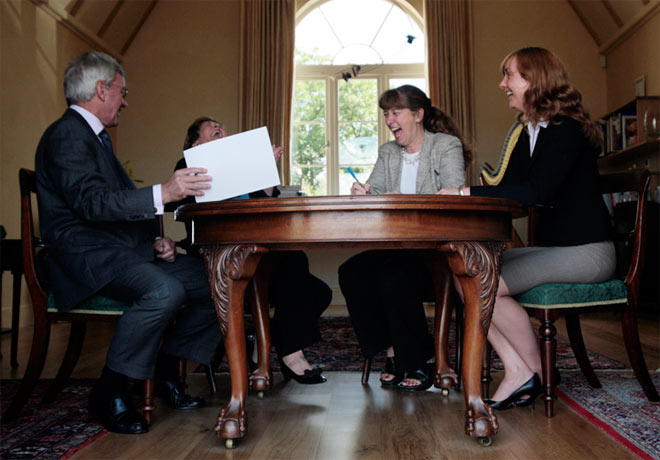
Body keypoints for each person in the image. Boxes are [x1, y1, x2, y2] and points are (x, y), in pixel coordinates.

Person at [34, 51, 222, 434]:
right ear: (101, 89)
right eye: (122, 92)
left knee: (217, 282)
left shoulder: (93, 137)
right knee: (164, 290)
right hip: (84, 258)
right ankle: (110, 389)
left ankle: (166, 370)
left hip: (118, 253)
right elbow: (91, 203)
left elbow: (109, 206)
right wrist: (164, 192)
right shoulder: (66, 134)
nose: (125, 101)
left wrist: (156, 240)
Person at [439, 47, 615, 409]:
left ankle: (533, 372)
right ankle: (522, 368)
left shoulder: (566, 130)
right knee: (465, 274)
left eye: (509, 75)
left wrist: (464, 192)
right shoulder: (530, 131)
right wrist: (473, 195)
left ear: (534, 80)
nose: (502, 84)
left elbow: (538, 193)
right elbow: (512, 190)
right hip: (556, 250)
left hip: (588, 252)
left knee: (481, 280)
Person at [173, 116, 332, 384]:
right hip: (219, 255)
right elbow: (191, 205)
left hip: (257, 251)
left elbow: (267, 203)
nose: (219, 127)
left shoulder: (243, 168)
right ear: (195, 144)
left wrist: (265, 170)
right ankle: (289, 354)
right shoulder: (186, 167)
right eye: (211, 129)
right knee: (295, 266)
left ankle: (265, 342)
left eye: (221, 126)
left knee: (316, 289)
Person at [338, 85, 470, 391]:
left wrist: (406, 200)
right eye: (386, 114)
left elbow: (453, 196)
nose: (389, 120)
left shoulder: (446, 146)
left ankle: (422, 358)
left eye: (396, 112)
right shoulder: (388, 152)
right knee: (351, 272)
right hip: (396, 246)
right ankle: (393, 350)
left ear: (418, 114)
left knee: (394, 275)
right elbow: (375, 190)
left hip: (436, 249)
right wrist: (363, 192)